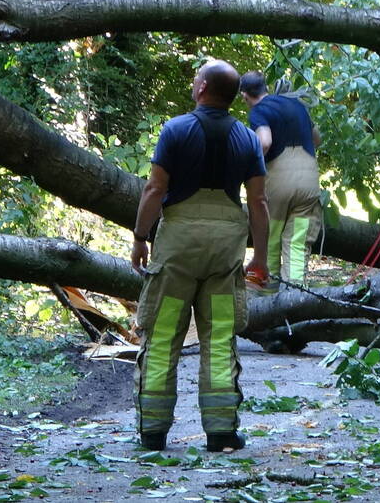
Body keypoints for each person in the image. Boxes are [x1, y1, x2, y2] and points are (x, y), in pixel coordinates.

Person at [130, 59, 269, 453]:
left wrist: (140, 237)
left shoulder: (175, 130)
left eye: (196, 77)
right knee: (220, 337)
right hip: (225, 248)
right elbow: (258, 201)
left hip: (179, 247)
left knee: (163, 336)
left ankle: (153, 430)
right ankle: (222, 432)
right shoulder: (248, 139)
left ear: (203, 87)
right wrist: (259, 256)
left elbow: (155, 189)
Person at [238, 71, 321, 292]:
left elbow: (264, 142)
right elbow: (317, 139)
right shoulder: (298, 105)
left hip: (278, 185)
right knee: (297, 244)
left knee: (270, 240)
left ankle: (267, 296)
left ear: (245, 95)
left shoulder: (259, 110)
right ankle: (295, 295)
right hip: (309, 183)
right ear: (265, 87)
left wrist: (247, 164)